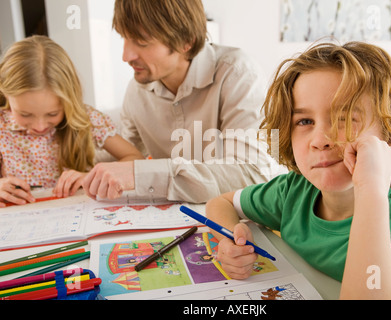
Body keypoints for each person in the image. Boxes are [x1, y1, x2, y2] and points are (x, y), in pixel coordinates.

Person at [205, 41, 391, 300]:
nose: (320, 139)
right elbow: (221, 203)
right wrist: (230, 235)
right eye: (304, 121)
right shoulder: (293, 191)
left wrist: (371, 192)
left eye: (344, 117)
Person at [82, 0, 284, 203]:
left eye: (142, 42)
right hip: (178, 218)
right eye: (123, 38)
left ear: (186, 42)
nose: (126, 56)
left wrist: (140, 174)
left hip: (242, 221)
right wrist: (85, 171)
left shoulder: (238, 75)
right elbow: (128, 152)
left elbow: (252, 175)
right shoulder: (137, 91)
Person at [0, 35, 144, 207]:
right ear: (6, 94)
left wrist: (91, 177)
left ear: (68, 100)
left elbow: (137, 159)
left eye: (52, 114)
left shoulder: (86, 119)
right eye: (25, 114)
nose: (39, 126)